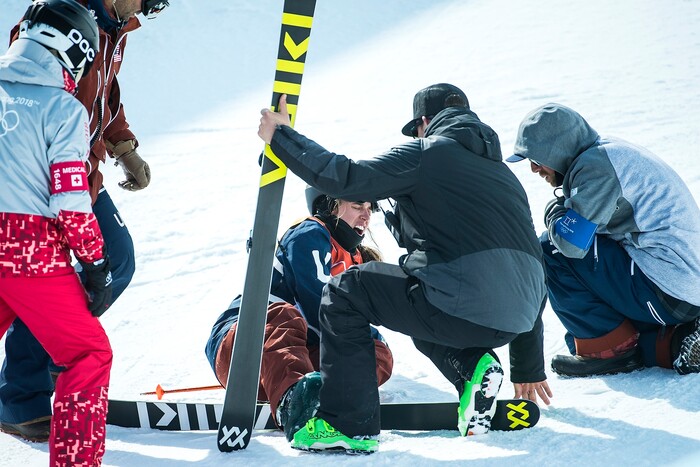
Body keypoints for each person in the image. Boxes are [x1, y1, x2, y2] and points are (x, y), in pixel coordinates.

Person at [257, 83, 552, 454]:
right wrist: (527, 364)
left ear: (424, 123)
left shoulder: (429, 153)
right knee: (421, 298)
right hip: (515, 318)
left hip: (462, 299)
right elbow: (527, 266)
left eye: (416, 129)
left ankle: (347, 424)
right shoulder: (504, 179)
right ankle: (473, 365)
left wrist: (281, 137)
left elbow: (346, 177)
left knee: (345, 290)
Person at [0, 0, 168, 442]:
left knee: (117, 260)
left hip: (77, 167)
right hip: (42, 180)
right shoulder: (61, 19)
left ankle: (54, 359)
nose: (147, 9)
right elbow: (25, 82)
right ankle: (25, 393)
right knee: (58, 276)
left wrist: (123, 145)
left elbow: (107, 94)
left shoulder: (113, 26)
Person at [506, 103, 700, 377]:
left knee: (550, 250)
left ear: (557, 150)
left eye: (536, 159)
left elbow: (570, 244)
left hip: (667, 287)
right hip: (680, 288)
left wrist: (554, 215)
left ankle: (609, 353)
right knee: (596, 307)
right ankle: (676, 343)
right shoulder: (608, 153)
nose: (534, 169)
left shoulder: (596, 168)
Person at [0, 0, 114, 464]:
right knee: (88, 355)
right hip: (28, 253)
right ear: (75, 51)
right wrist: (95, 260)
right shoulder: (63, 109)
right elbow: (70, 198)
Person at [205, 187, 393, 440]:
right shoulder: (309, 233)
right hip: (244, 346)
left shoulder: (355, 258)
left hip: (289, 363)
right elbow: (321, 306)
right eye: (358, 206)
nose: (366, 216)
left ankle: (330, 396)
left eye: (370, 209)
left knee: (378, 352)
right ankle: (296, 405)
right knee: (286, 315)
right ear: (330, 206)